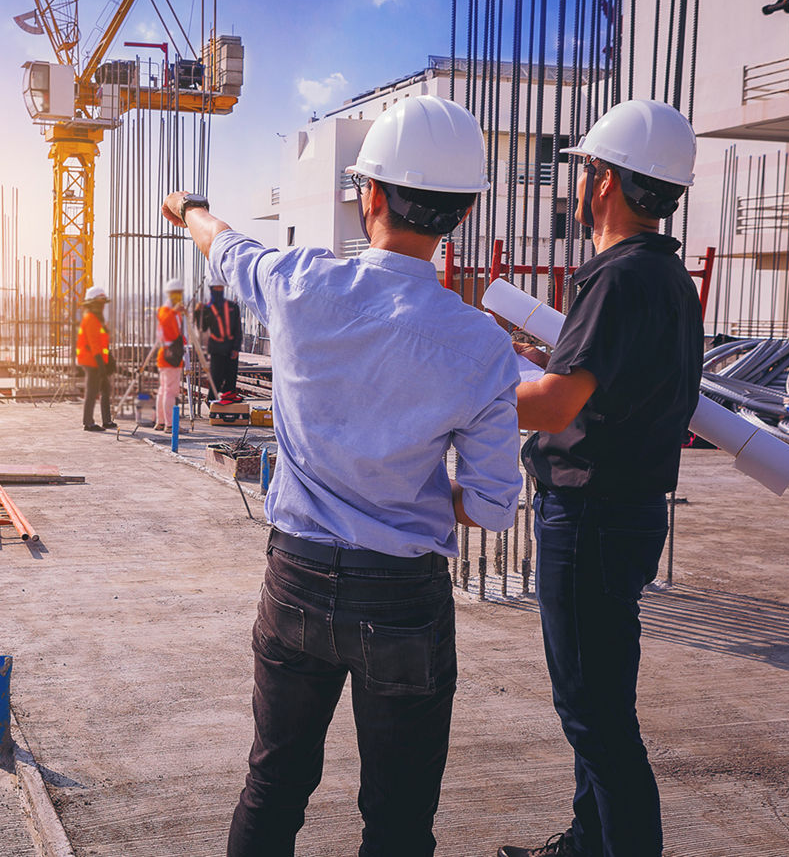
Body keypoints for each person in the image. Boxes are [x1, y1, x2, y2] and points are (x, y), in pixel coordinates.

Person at [162, 95, 524, 857]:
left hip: (294, 578)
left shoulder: (300, 284)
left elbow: (221, 243)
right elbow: (492, 507)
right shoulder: (482, 344)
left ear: (374, 196)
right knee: (396, 822)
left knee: (273, 786)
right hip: (401, 598)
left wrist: (189, 206)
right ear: (459, 211)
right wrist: (409, 494)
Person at [497, 100, 703, 857]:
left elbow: (554, 406)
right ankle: (589, 844)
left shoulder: (614, 280)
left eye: (585, 169)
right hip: (630, 511)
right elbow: (609, 388)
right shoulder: (668, 279)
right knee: (601, 697)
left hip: (589, 516)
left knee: (594, 715)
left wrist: (471, 374)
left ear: (606, 180)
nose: (580, 184)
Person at [196, 275, 243, 401]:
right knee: (216, 378)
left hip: (231, 347)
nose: (218, 290)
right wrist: (198, 313)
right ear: (211, 289)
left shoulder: (233, 307)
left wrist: (236, 348)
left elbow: (238, 330)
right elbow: (203, 327)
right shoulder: (208, 308)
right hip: (217, 349)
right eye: (216, 288)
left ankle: (228, 402)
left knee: (231, 378)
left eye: (220, 287)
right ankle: (212, 401)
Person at [76, 286, 117, 432]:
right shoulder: (91, 319)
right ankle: (88, 422)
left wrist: (109, 359)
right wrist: (101, 365)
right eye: (99, 303)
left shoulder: (99, 319)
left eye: (102, 303)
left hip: (98, 360)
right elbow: (93, 344)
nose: (101, 306)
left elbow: (103, 343)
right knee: (92, 391)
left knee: (105, 388)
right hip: (91, 361)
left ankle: (106, 420)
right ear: (92, 304)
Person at [154, 277, 186, 432]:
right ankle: (170, 425)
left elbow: (178, 334)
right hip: (169, 357)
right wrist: (175, 311)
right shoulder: (166, 311)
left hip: (169, 356)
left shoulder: (174, 313)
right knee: (170, 391)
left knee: (164, 390)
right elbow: (166, 322)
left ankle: (161, 422)